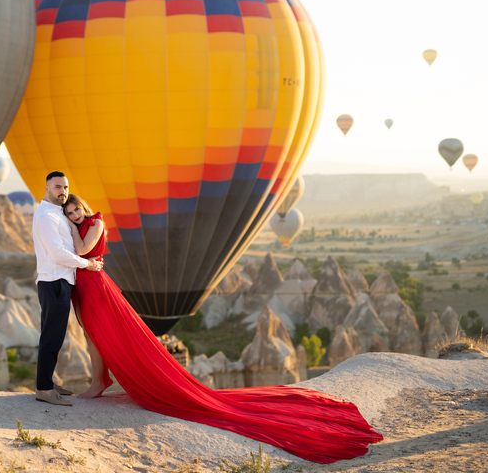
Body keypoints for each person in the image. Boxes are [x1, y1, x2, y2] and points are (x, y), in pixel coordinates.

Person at [63, 193, 383, 464]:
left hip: (96, 284)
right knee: (93, 336)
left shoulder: (95, 223)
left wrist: (71, 230)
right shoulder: (81, 225)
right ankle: (99, 379)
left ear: (83, 207)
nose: (74, 214)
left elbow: (81, 250)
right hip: (86, 285)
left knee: (107, 334)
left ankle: (101, 381)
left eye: (75, 209)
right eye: (69, 213)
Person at [32, 172, 103, 406]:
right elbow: (58, 254)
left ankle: (48, 382)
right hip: (54, 280)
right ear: (46, 188)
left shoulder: (57, 213)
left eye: (65, 186)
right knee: (52, 335)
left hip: (61, 280)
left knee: (55, 334)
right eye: (57, 187)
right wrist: (88, 264)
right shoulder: (45, 216)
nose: (62, 191)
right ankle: (43, 388)